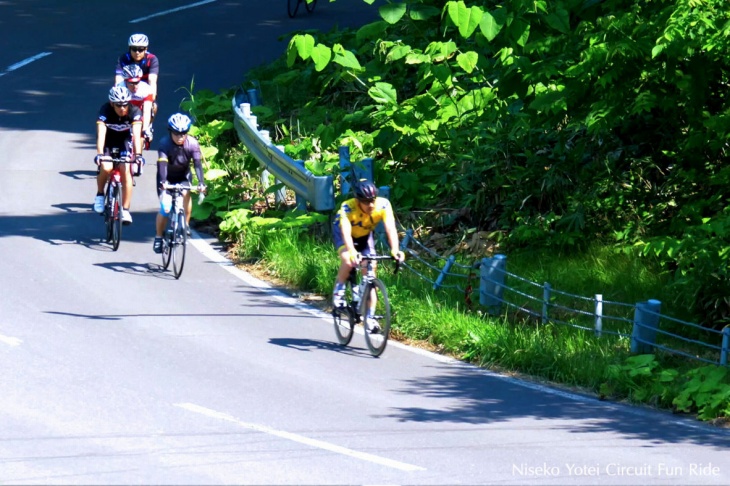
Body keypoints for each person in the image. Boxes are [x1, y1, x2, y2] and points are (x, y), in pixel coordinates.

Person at [332, 181, 405, 320]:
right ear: (358, 200)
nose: (370, 205)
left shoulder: (383, 204)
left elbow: (390, 228)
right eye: (366, 202)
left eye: (372, 200)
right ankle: (338, 291)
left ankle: (370, 316)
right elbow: (346, 232)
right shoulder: (348, 207)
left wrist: (395, 249)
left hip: (365, 235)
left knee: (371, 269)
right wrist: (352, 251)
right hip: (343, 234)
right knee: (348, 260)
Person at [153, 113, 206, 254]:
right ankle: (158, 237)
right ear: (171, 132)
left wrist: (201, 183)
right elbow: (162, 165)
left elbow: (197, 165)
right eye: (176, 134)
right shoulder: (165, 144)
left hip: (183, 176)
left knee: (186, 192)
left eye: (183, 134)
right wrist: (163, 182)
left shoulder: (193, 144)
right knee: (165, 208)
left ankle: (186, 225)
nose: (180, 137)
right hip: (166, 177)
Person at [94, 86, 145, 225]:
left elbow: (136, 134)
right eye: (118, 105)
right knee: (106, 166)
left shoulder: (134, 111)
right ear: (112, 103)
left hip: (124, 141)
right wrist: (99, 154)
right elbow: (101, 134)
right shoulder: (105, 110)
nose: (122, 108)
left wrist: (138, 155)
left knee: (126, 169)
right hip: (108, 141)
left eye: (125, 104)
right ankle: (100, 194)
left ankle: (125, 209)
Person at [114, 33, 159, 117]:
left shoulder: (152, 59)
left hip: (145, 88)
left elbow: (152, 80)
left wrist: (152, 97)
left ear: (146, 49)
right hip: (127, 87)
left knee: (154, 107)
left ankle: (148, 126)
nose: (137, 52)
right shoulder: (123, 58)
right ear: (130, 49)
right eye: (134, 49)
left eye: (140, 49)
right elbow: (118, 79)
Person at [119, 64, 154, 148]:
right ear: (125, 81)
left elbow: (146, 111)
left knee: (154, 107)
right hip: (126, 109)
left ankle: (149, 127)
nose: (135, 86)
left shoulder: (146, 89)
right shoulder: (119, 88)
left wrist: (145, 128)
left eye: (137, 82)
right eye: (131, 83)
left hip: (140, 110)